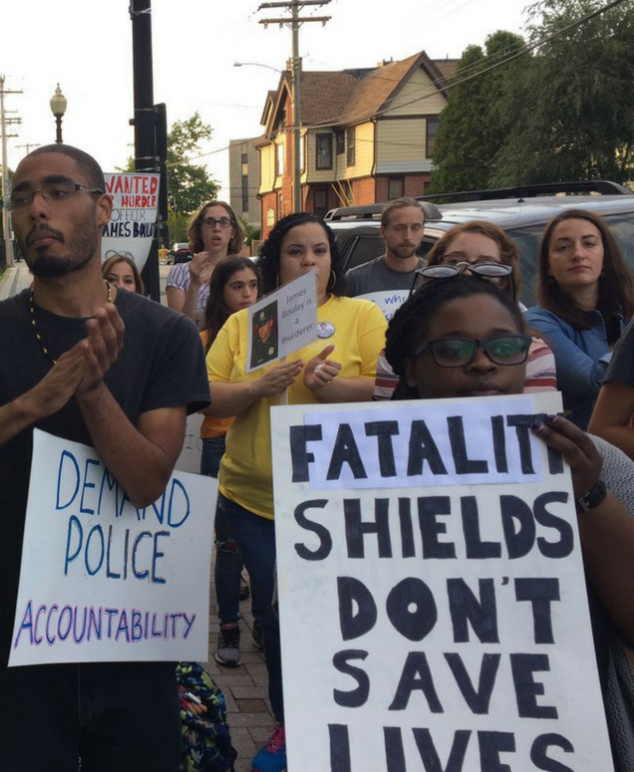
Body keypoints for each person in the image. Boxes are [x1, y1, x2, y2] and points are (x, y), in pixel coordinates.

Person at [0, 144, 211, 772]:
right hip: (16, 635)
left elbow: (149, 481)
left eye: (59, 191)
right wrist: (29, 404)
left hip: (131, 637)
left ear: (103, 207)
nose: (38, 208)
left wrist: (91, 391)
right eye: (21, 197)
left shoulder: (163, 334)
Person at [385, 275, 634, 772]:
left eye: (504, 346)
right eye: (455, 349)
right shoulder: (350, 476)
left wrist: (588, 494)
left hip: (565, 741)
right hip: (405, 732)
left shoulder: (593, 462)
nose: (483, 363)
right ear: (412, 368)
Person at [203, 212, 387, 772]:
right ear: (275, 259)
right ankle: (290, 723)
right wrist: (256, 386)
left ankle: (352, 715)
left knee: (343, 615)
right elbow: (206, 397)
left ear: (335, 260)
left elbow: (392, 391)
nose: (309, 262)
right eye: (296, 252)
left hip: (340, 502)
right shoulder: (248, 324)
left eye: (321, 252)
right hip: (257, 504)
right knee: (281, 617)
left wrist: (331, 389)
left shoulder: (361, 315)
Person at [372, 221, 557, 400]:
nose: (467, 272)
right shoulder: (396, 352)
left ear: (504, 280)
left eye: (486, 264)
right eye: (455, 261)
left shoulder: (535, 355)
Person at [199, 256, 259, 667]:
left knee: (262, 549)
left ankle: (264, 623)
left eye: (253, 286)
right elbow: (204, 400)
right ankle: (229, 627)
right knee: (229, 545)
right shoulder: (208, 337)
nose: (247, 295)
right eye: (237, 286)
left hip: (260, 447)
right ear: (221, 291)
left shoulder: (268, 329)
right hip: (220, 446)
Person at [526, 209, 634, 428]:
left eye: (589, 244)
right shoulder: (537, 323)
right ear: (547, 266)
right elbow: (596, 382)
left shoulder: (625, 311)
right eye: (564, 247)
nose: (577, 254)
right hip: (590, 455)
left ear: (605, 258)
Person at [339, 198, 426, 319]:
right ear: (382, 232)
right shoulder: (356, 280)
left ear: (423, 231)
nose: (408, 236)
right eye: (399, 228)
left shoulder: (435, 277)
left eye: (415, 227)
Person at [166, 201, 246, 325]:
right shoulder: (180, 272)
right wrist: (194, 285)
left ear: (233, 233)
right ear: (199, 231)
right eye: (209, 222)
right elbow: (180, 329)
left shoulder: (243, 273)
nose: (217, 228)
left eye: (224, 222)